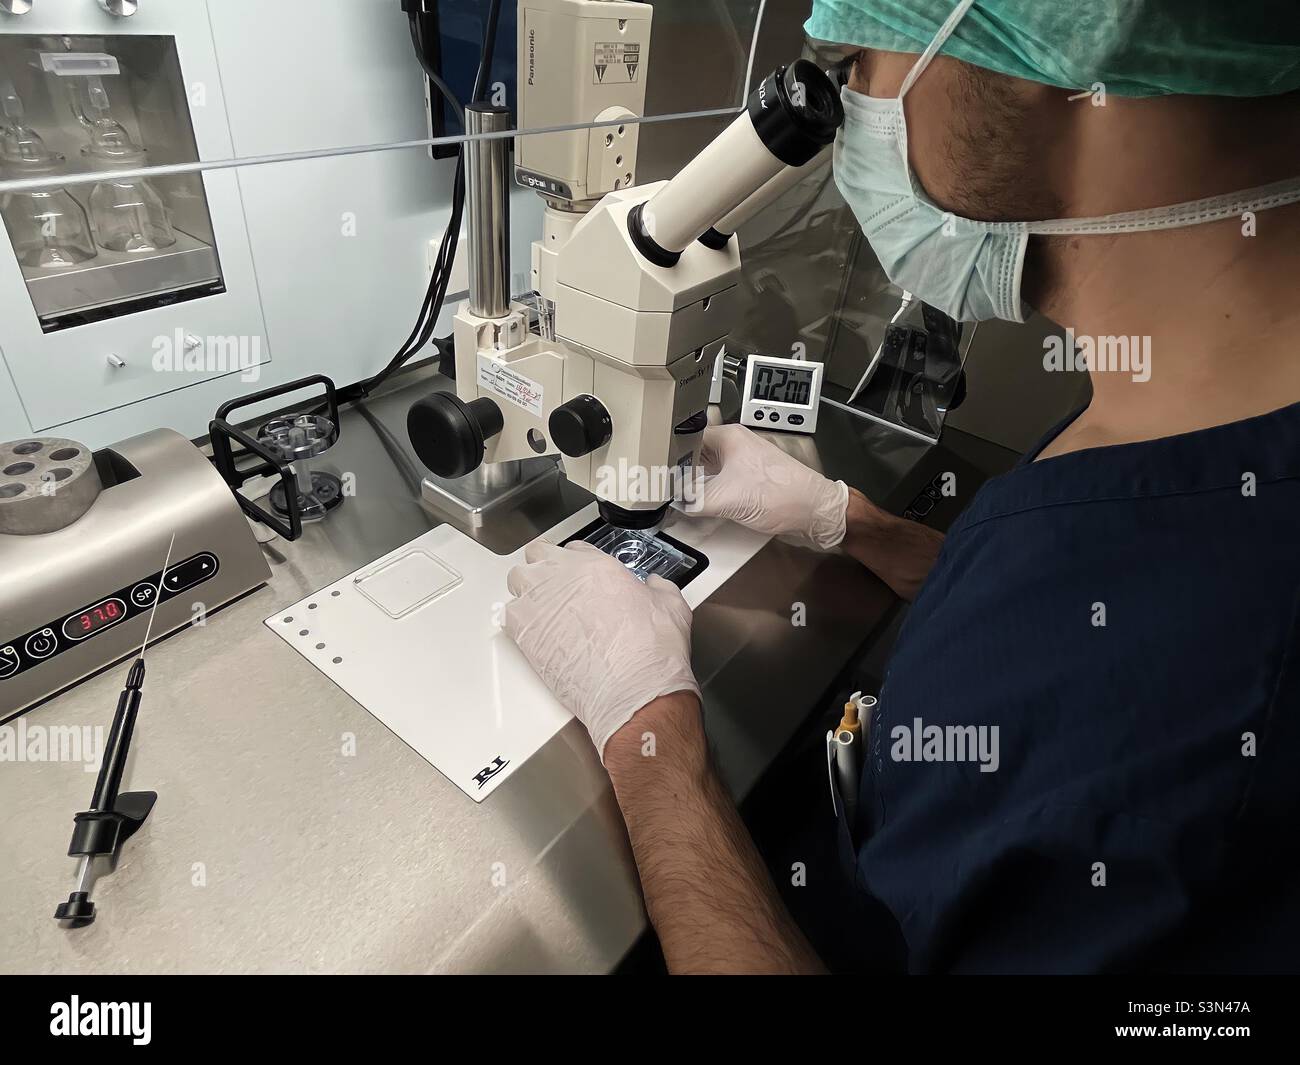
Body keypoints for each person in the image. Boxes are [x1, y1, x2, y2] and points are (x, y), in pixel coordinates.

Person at [502, 0, 1300, 973]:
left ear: (1064, 66)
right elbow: (1041, 619)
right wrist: (852, 522)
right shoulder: (1182, 438)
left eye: (869, 57)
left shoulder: (1181, 655)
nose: (857, 111)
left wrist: (647, 732)